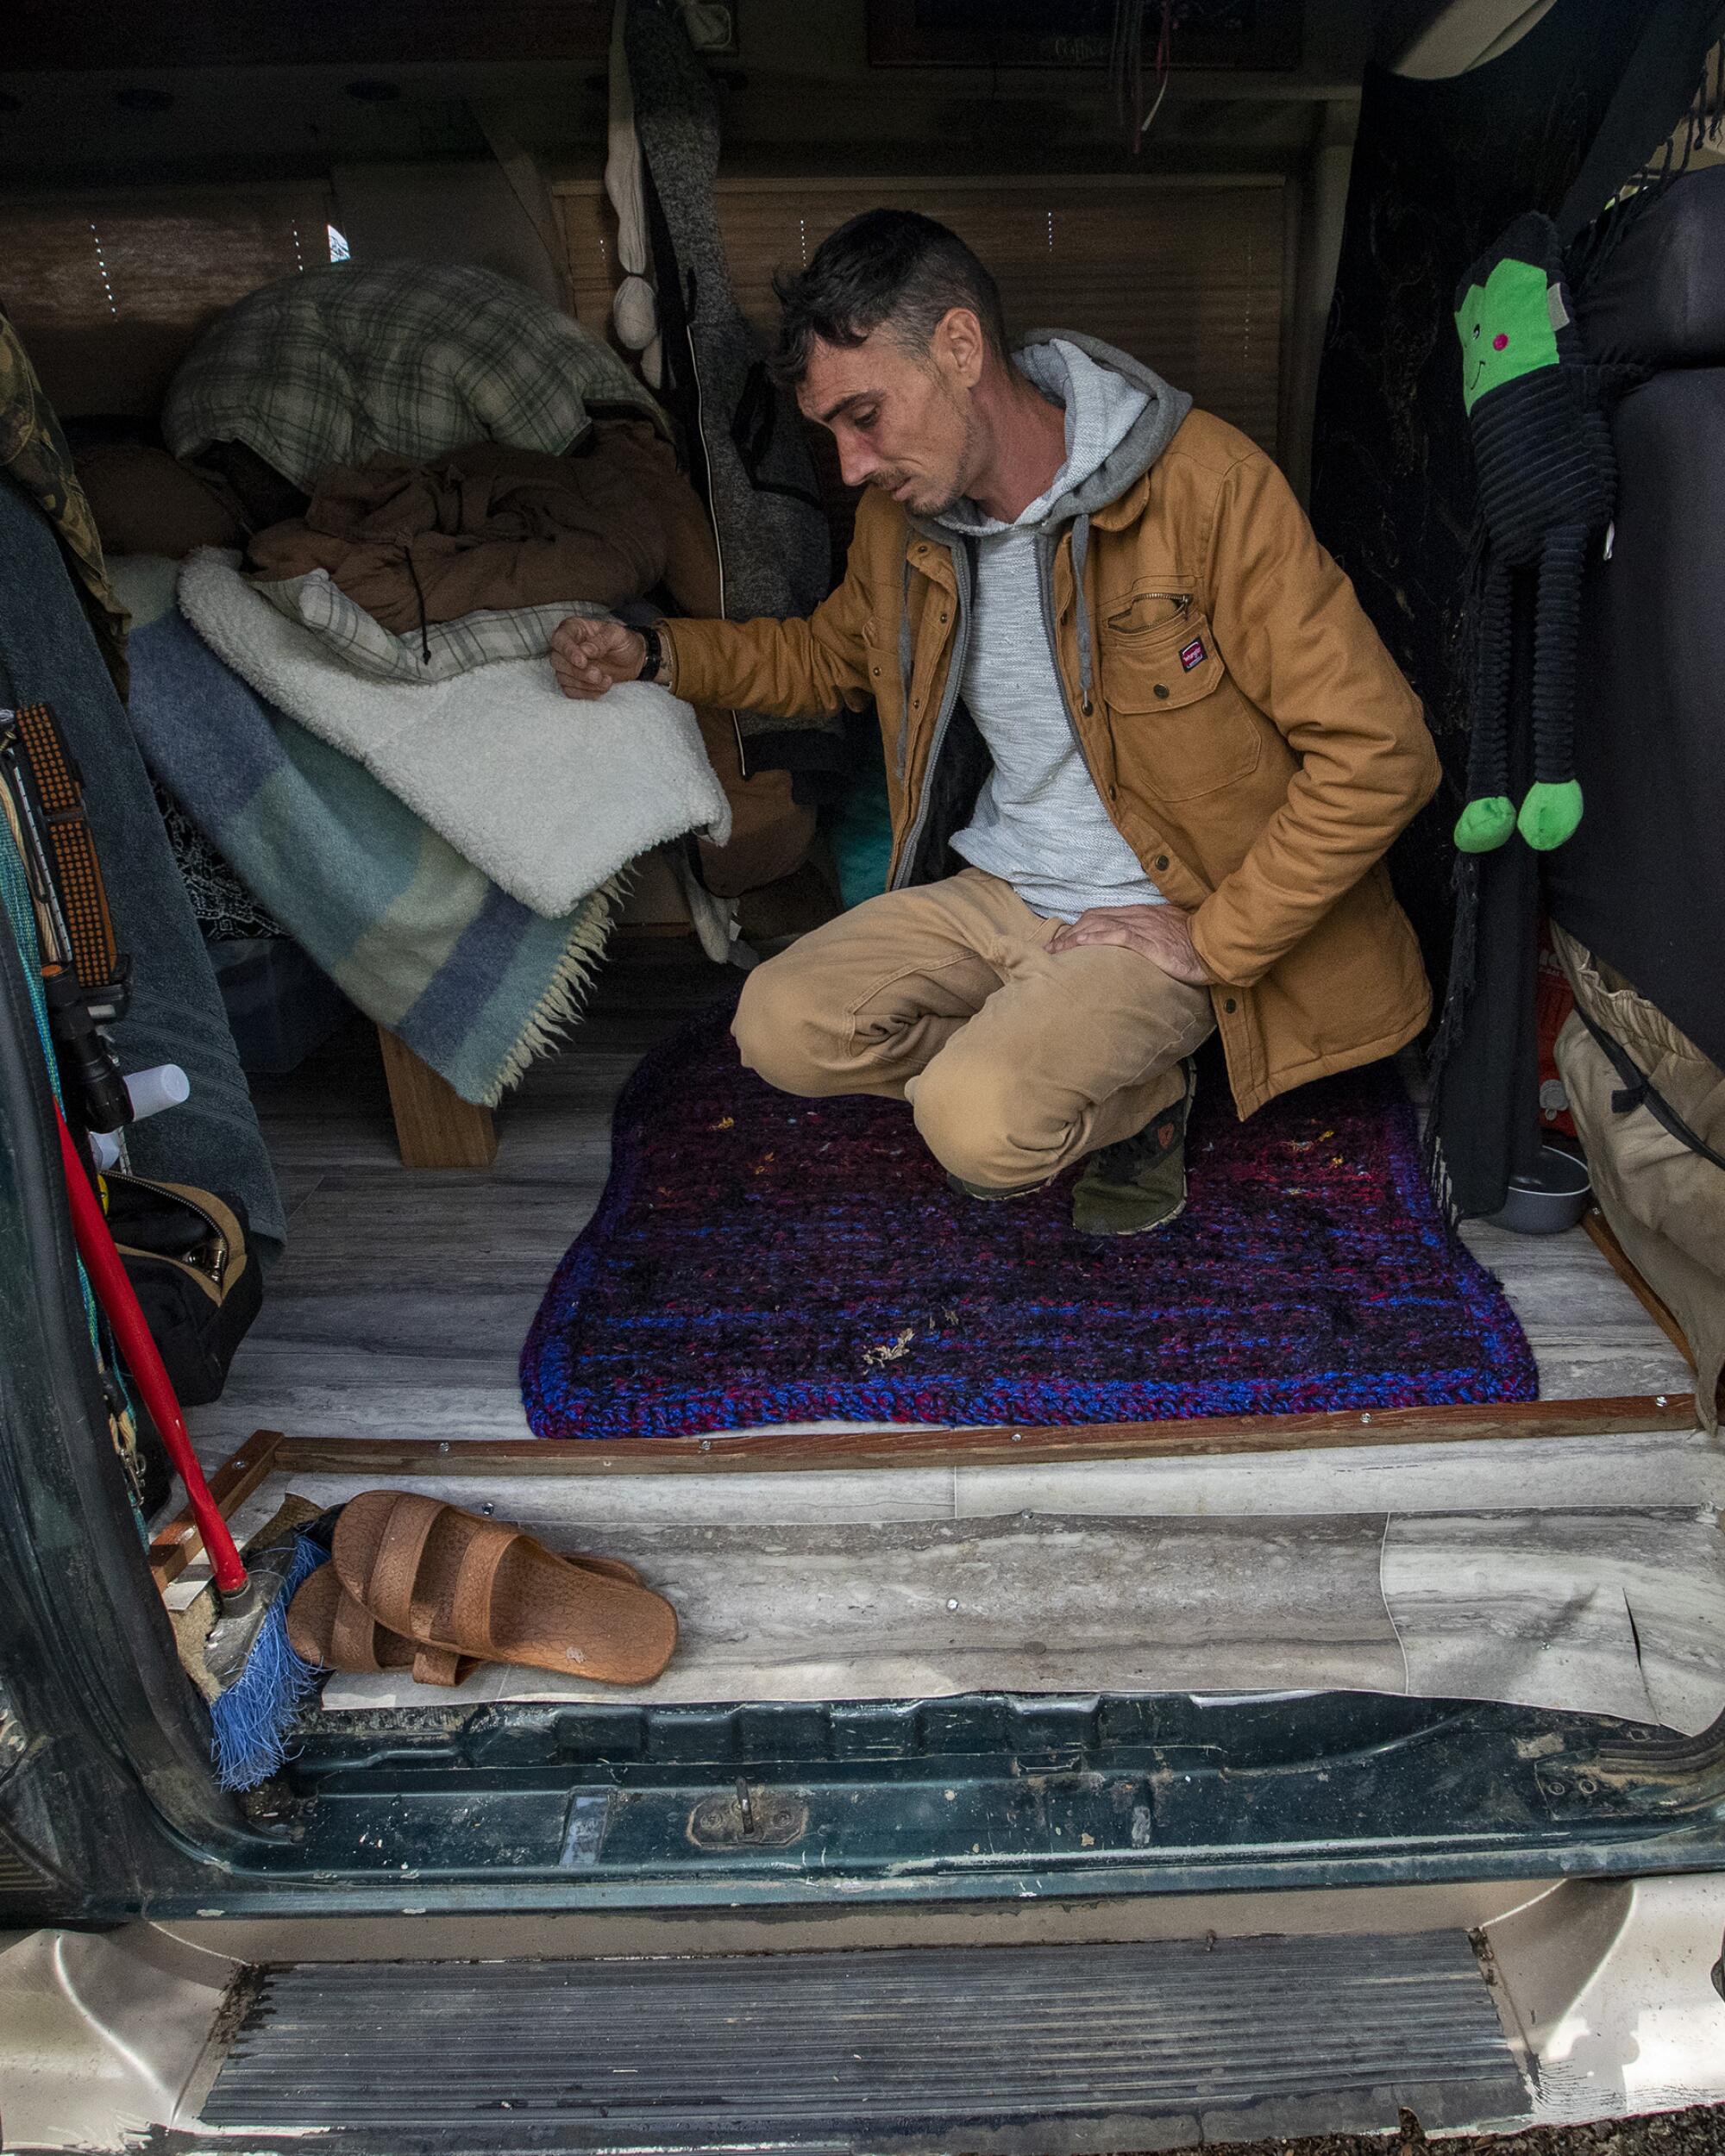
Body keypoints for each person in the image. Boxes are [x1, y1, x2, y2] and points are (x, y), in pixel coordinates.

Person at [553, 210, 1440, 1236]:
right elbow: (822, 658)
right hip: (998, 886)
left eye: (865, 416)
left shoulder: (1208, 486)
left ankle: (1143, 1089)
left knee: (973, 1125)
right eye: (830, 433)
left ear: (960, 349)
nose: (847, 468)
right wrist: (657, 654)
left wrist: (1211, 939)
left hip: (1160, 912)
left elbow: (1381, 751)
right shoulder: (902, 525)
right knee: (777, 1027)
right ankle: (1051, 1054)